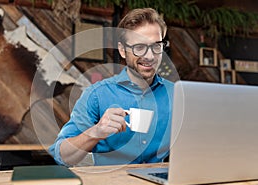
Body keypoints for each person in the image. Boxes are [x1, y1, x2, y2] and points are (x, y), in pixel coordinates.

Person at [49, 8, 174, 166]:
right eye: (139, 47)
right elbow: (62, 156)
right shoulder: (97, 95)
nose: (149, 56)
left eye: (157, 46)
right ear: (122, 50)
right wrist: (96, 132)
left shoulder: (176, 93)